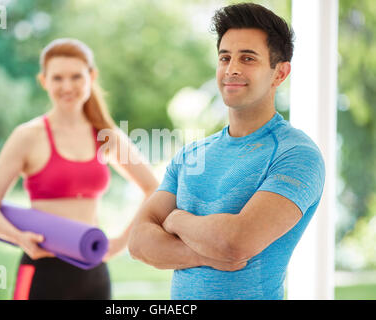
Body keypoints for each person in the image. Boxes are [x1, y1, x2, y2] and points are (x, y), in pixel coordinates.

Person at [128, 3, 325, 300]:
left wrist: (176, 220)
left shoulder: (295, 154)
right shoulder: (191, 155)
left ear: (279, 73)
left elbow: (236, 243)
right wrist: (207, 255)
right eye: (225, 57)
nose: (232, 68)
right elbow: (139, 242)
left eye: (248, 58)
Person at [0, 38, 159, 300]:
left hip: (93, 271)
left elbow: (153, 188)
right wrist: (19, 237)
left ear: (92, 76)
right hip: (41, 269)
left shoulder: (106, 135)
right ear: (44, 81)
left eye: (76, 77)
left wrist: (121, 242)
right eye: (57, 78)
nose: (67, 87)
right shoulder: (27, 136)